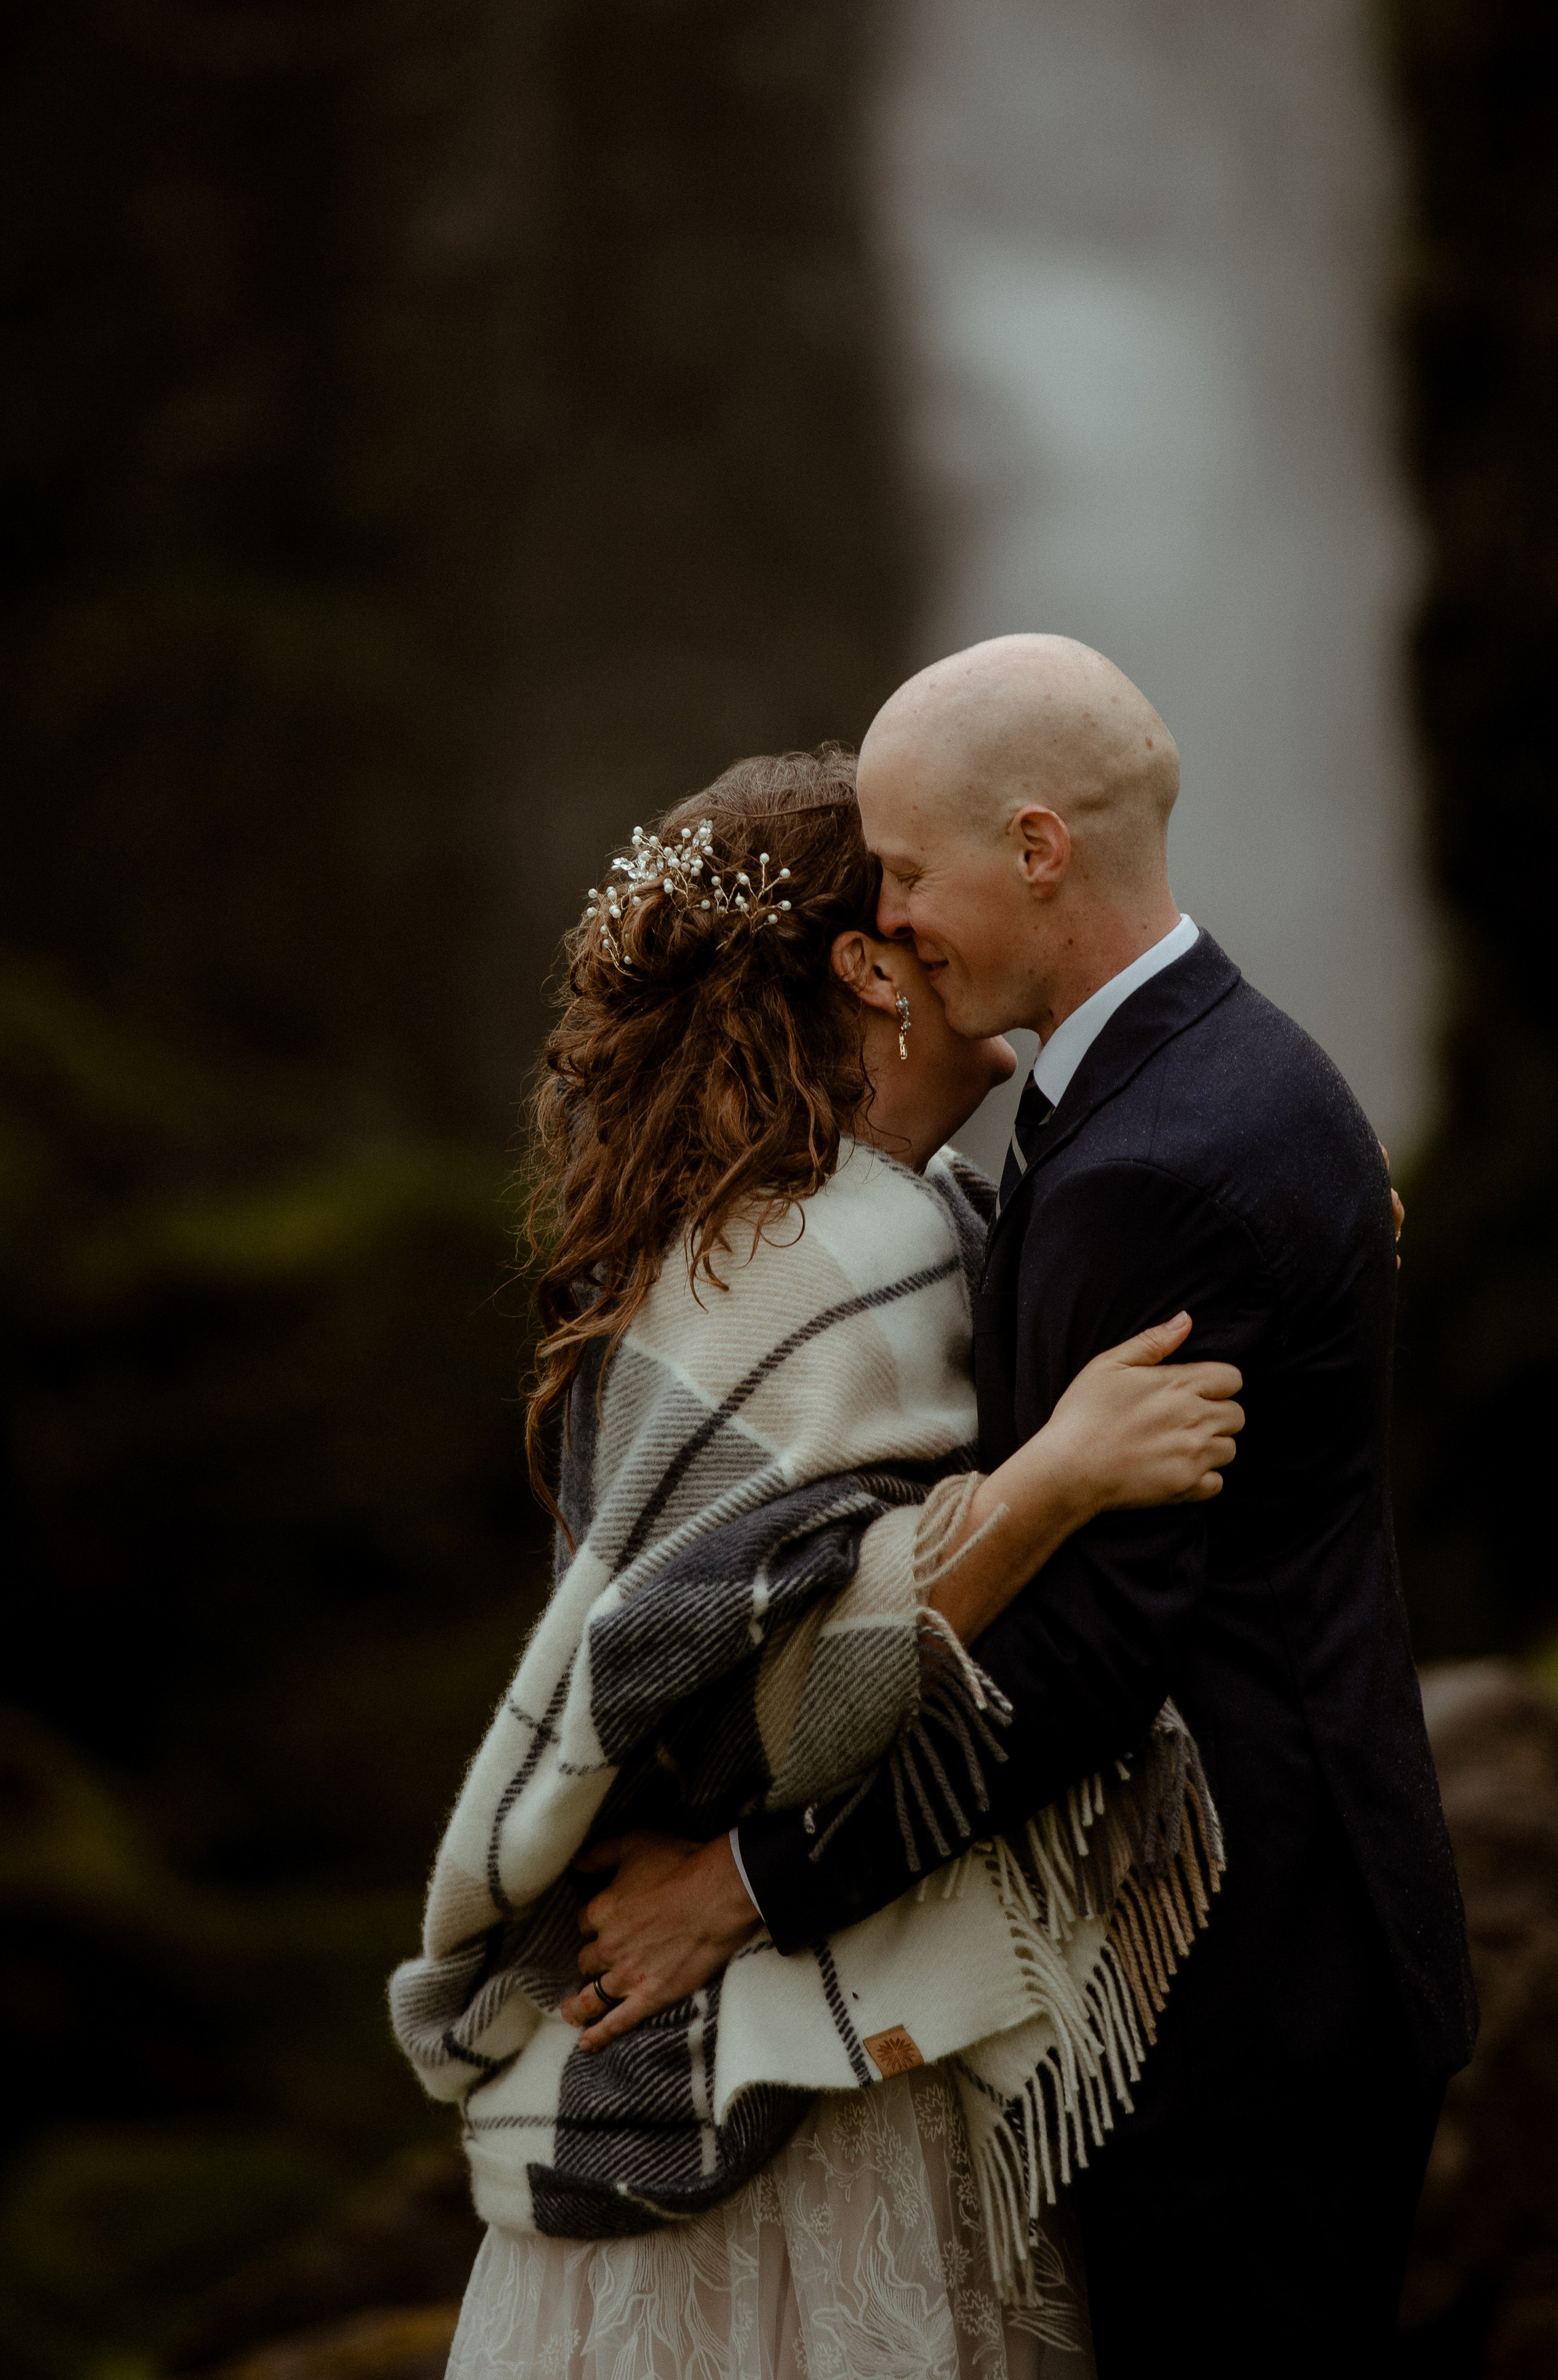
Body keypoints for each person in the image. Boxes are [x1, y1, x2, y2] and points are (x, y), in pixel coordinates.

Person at [569, 640, 1477, 2379]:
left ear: (1038, 848)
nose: (893, 920)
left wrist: (741, 1887)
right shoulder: (1209, 1074)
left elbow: (1079, 1661)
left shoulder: (1154, 1161)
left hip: (1247, 1991)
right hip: (1287, 1941)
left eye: (909, 872)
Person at [392, 744, 1247, 2380]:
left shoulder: (857, 1220)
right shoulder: (817, 1262)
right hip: (785, 2085)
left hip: (794, 2005)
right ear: (866, 967)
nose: (954, 923)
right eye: (912, 895)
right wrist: (1048, 1485)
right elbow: (767, 1693)